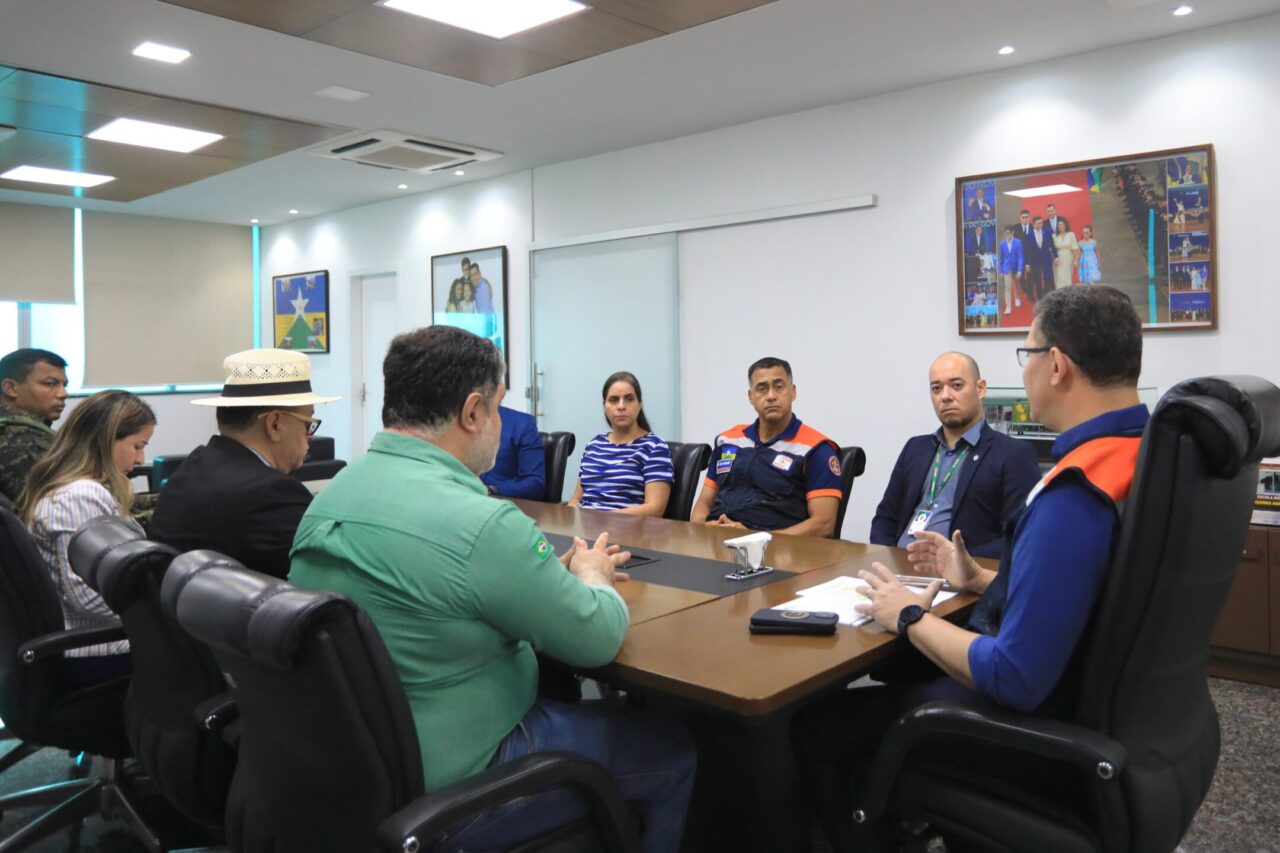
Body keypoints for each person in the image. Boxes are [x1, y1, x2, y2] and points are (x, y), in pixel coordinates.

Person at [289, 326, 695, 853]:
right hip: (461, 779)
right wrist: (593, 575)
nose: (501, 425)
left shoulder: (330, 495)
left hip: (351, 767)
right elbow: (596, 638)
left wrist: (541, 576)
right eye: (500, 410)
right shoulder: (481, 522)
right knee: (671, 748)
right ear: (473, 412)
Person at [793, 285, 1149, 852]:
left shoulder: (1073, 493)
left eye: (1026, 354)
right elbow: (1077, 588)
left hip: (1026, 718)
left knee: (812, 724)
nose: (1026, 368)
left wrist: (907, 614)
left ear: (1055, 365)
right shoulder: (1140, 455)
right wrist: (980, 579)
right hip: (1105, 709)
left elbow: (1013, 675)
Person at [149, 349, 337, 579]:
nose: (310, 437)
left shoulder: (194, 465)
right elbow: (321, 576)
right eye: (308, 424)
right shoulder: (273, 494)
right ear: (274, 424)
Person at [17, 391, 155, 688]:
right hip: (96, 653)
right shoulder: (79, 496)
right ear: (106, 440)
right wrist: (159, 606)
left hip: (95, 645)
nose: (141, 458)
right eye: (137, 446)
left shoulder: (74, 489)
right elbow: (88, 596)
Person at [869, 352, 1041, 558]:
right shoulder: (915, 448)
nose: (945, 396)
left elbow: (1018, 537)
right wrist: (890, 559)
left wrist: (956, 561)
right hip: (900, 567)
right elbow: (885, 518)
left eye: (957, 385)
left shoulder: (1012, 454)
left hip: (960, 575)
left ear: (980, 389)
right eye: (936, 388)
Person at [691, 357, 842, 536]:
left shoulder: (816, 449)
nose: (771, 396)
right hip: (716, 544)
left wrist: (755, 539)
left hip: (777, 553)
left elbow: (823, 525)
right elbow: (703, 506)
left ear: (792, 392)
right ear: (751, 397)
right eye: (762, 389)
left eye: (779, 387)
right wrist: (705, 528)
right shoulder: (728, 441)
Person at [568, 371, 673, 516]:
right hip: (585, 531)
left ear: (639, 404)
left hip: (626, 532)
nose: (621, 406)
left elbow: (655, 509)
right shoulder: (594, 445)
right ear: (604, 405)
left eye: (629, 399)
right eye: (614, 400)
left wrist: (605, 520)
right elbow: (577, 498)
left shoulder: (655, 447)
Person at [0, 348, 69, 503]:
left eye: (64, 385)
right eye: (50, 384)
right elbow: (64, 505)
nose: (63, 393)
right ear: (11, 388)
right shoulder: (24, 439)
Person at [480, 405, 546, 499]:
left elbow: (535, 483)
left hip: (501, 503)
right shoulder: (454, 422)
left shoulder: (521, 424)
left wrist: (493, 490)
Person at [997, 225, 1025, 315]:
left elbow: (1020, 256)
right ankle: (1008, 307)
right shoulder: (1002, 244)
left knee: (1016, 284)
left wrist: (1020, 270)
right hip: (1006, 267)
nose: (1007, 236)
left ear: (1013, 233)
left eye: (1009, 234)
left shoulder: (1018, 242)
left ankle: (1017, 298)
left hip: (1016, 266)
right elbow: (1001, 258)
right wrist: (1001, 270)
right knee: (1007, 287)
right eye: (1006, 234)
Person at [1052, 218, 1080, 289]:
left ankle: (1067, 294)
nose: (1061, 226)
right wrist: (1054, 260)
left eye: (1062, 224)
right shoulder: (1054, 236)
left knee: (1067, 277)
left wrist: (1076, 260)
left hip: (1068, 258)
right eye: (1059, 225)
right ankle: (1059, 293)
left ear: (1065, 225)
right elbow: (1051, 250)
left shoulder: (1071, 234)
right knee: (1058, 276)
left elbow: (1074, 248)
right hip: (1058, 258)